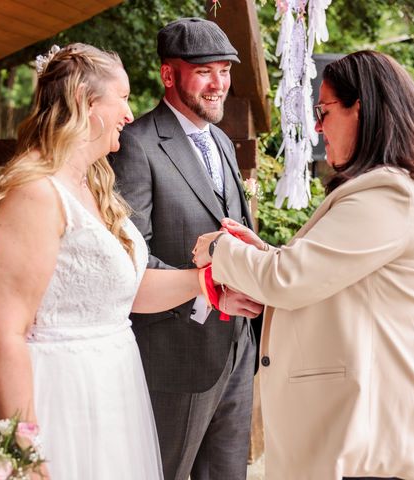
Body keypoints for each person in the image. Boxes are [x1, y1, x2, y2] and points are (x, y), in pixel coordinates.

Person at [0, 43, 223, 479]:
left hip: (112, 393)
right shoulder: (35, 191)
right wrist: (24, 442)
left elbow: (122, 292)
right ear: (88, 104)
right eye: (122, 98)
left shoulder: (90, 182)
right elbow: (2, 327)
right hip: (57, 396)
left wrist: (209, 280)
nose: (130, 114)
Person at [193, 50, 414, 480]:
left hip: (367, 435)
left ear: (362, 110)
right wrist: (261, 253)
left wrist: (218, 250)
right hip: (360, 425)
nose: (317, 127)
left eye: (324, 110)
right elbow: (319, 273)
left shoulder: (390, 195)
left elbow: (288, 280)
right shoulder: (393, 189)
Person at [109, 17, 262, 480]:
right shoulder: (135, 145)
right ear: (169, 75)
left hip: (235, 351)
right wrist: (208, 289)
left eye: (226, 69)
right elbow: (131, 254)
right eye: (204, 71)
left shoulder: (222, 141)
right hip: (174, 353)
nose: (220, 84)